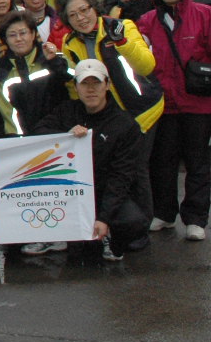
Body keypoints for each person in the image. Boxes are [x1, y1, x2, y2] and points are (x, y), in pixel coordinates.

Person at [136, 0, 211, 241]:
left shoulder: (205, 15)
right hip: (163, 106)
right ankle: (164, 213)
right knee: (162, 162)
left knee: (197, 162)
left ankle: (195, 218)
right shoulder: (147, 21)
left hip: (198, 103)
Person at [24, 59, 149, 260]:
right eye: (84, 83)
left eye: (96, 83)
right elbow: (38, 133)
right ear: (76, 87)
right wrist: (66, 135)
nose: (91, 89)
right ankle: (56, 234)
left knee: (132, 220)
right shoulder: (67, 110)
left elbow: (121, 176)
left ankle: (109, 234)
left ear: (107, 85)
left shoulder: (125, 125)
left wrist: (104, 218)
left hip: (104, 190)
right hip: (67, 190)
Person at [56, 0, 163, 133]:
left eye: (84, 10)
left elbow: (146, 66)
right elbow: (75, 84)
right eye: (72, 15)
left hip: (144, 111)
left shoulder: (122, 26)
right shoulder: (69, 43)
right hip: (111, 119)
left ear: (94, 7)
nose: (80, 18)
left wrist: (122, 42)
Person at [0, 12, 71, 136]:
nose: (18, 39)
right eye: (12, 35)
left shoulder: (51, 54)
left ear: (33, 34)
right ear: (5, 40)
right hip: (26, 139)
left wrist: (55, 61)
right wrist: (17, 137)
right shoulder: (1, 70)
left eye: (23, 33)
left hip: (61, 132)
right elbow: (7, 111)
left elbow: (74, 78)